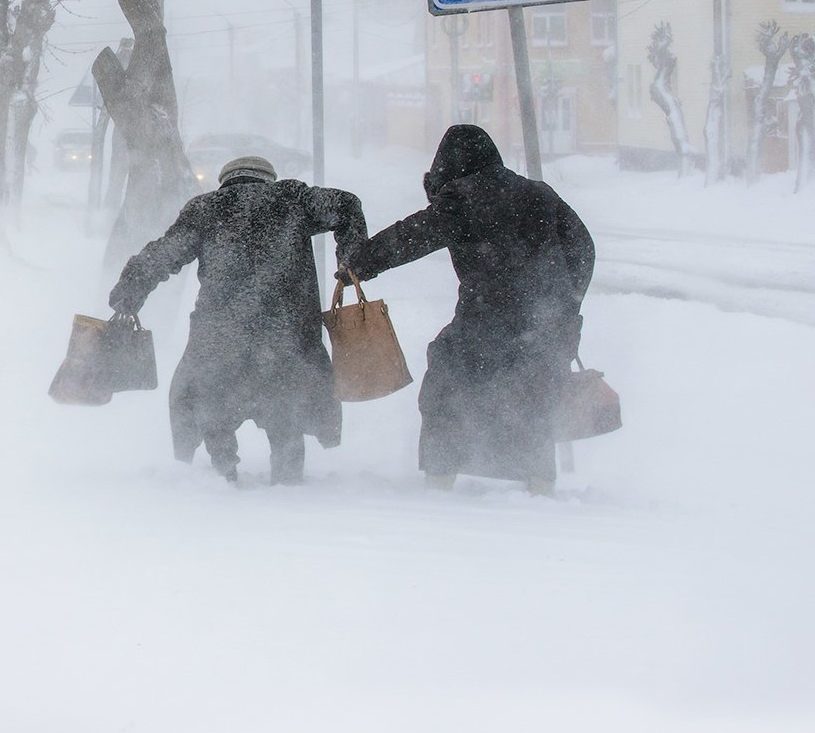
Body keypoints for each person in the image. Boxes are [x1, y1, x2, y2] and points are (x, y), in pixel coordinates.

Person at [347, 124, 594, 495]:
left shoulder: (465, 198)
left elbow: (413, 235)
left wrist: (362, 262)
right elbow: (583, 247)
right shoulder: (538, 194)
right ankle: (540, 488)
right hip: (544, 324)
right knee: (534, 397)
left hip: (487, 320)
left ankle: (440, 479)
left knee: (448, 385)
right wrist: (564, 302)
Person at [108, 155, 367, 486]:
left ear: (225, 181)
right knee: (285, 415)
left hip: (221, 337)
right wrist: (351, 260)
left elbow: (163, 254)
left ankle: (225, 479)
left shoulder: (206, 208)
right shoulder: (293, 199)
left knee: (213, 408)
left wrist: (129, 292)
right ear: (267, 179)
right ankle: (289, 487)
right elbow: (347, 204)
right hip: (285, 336)